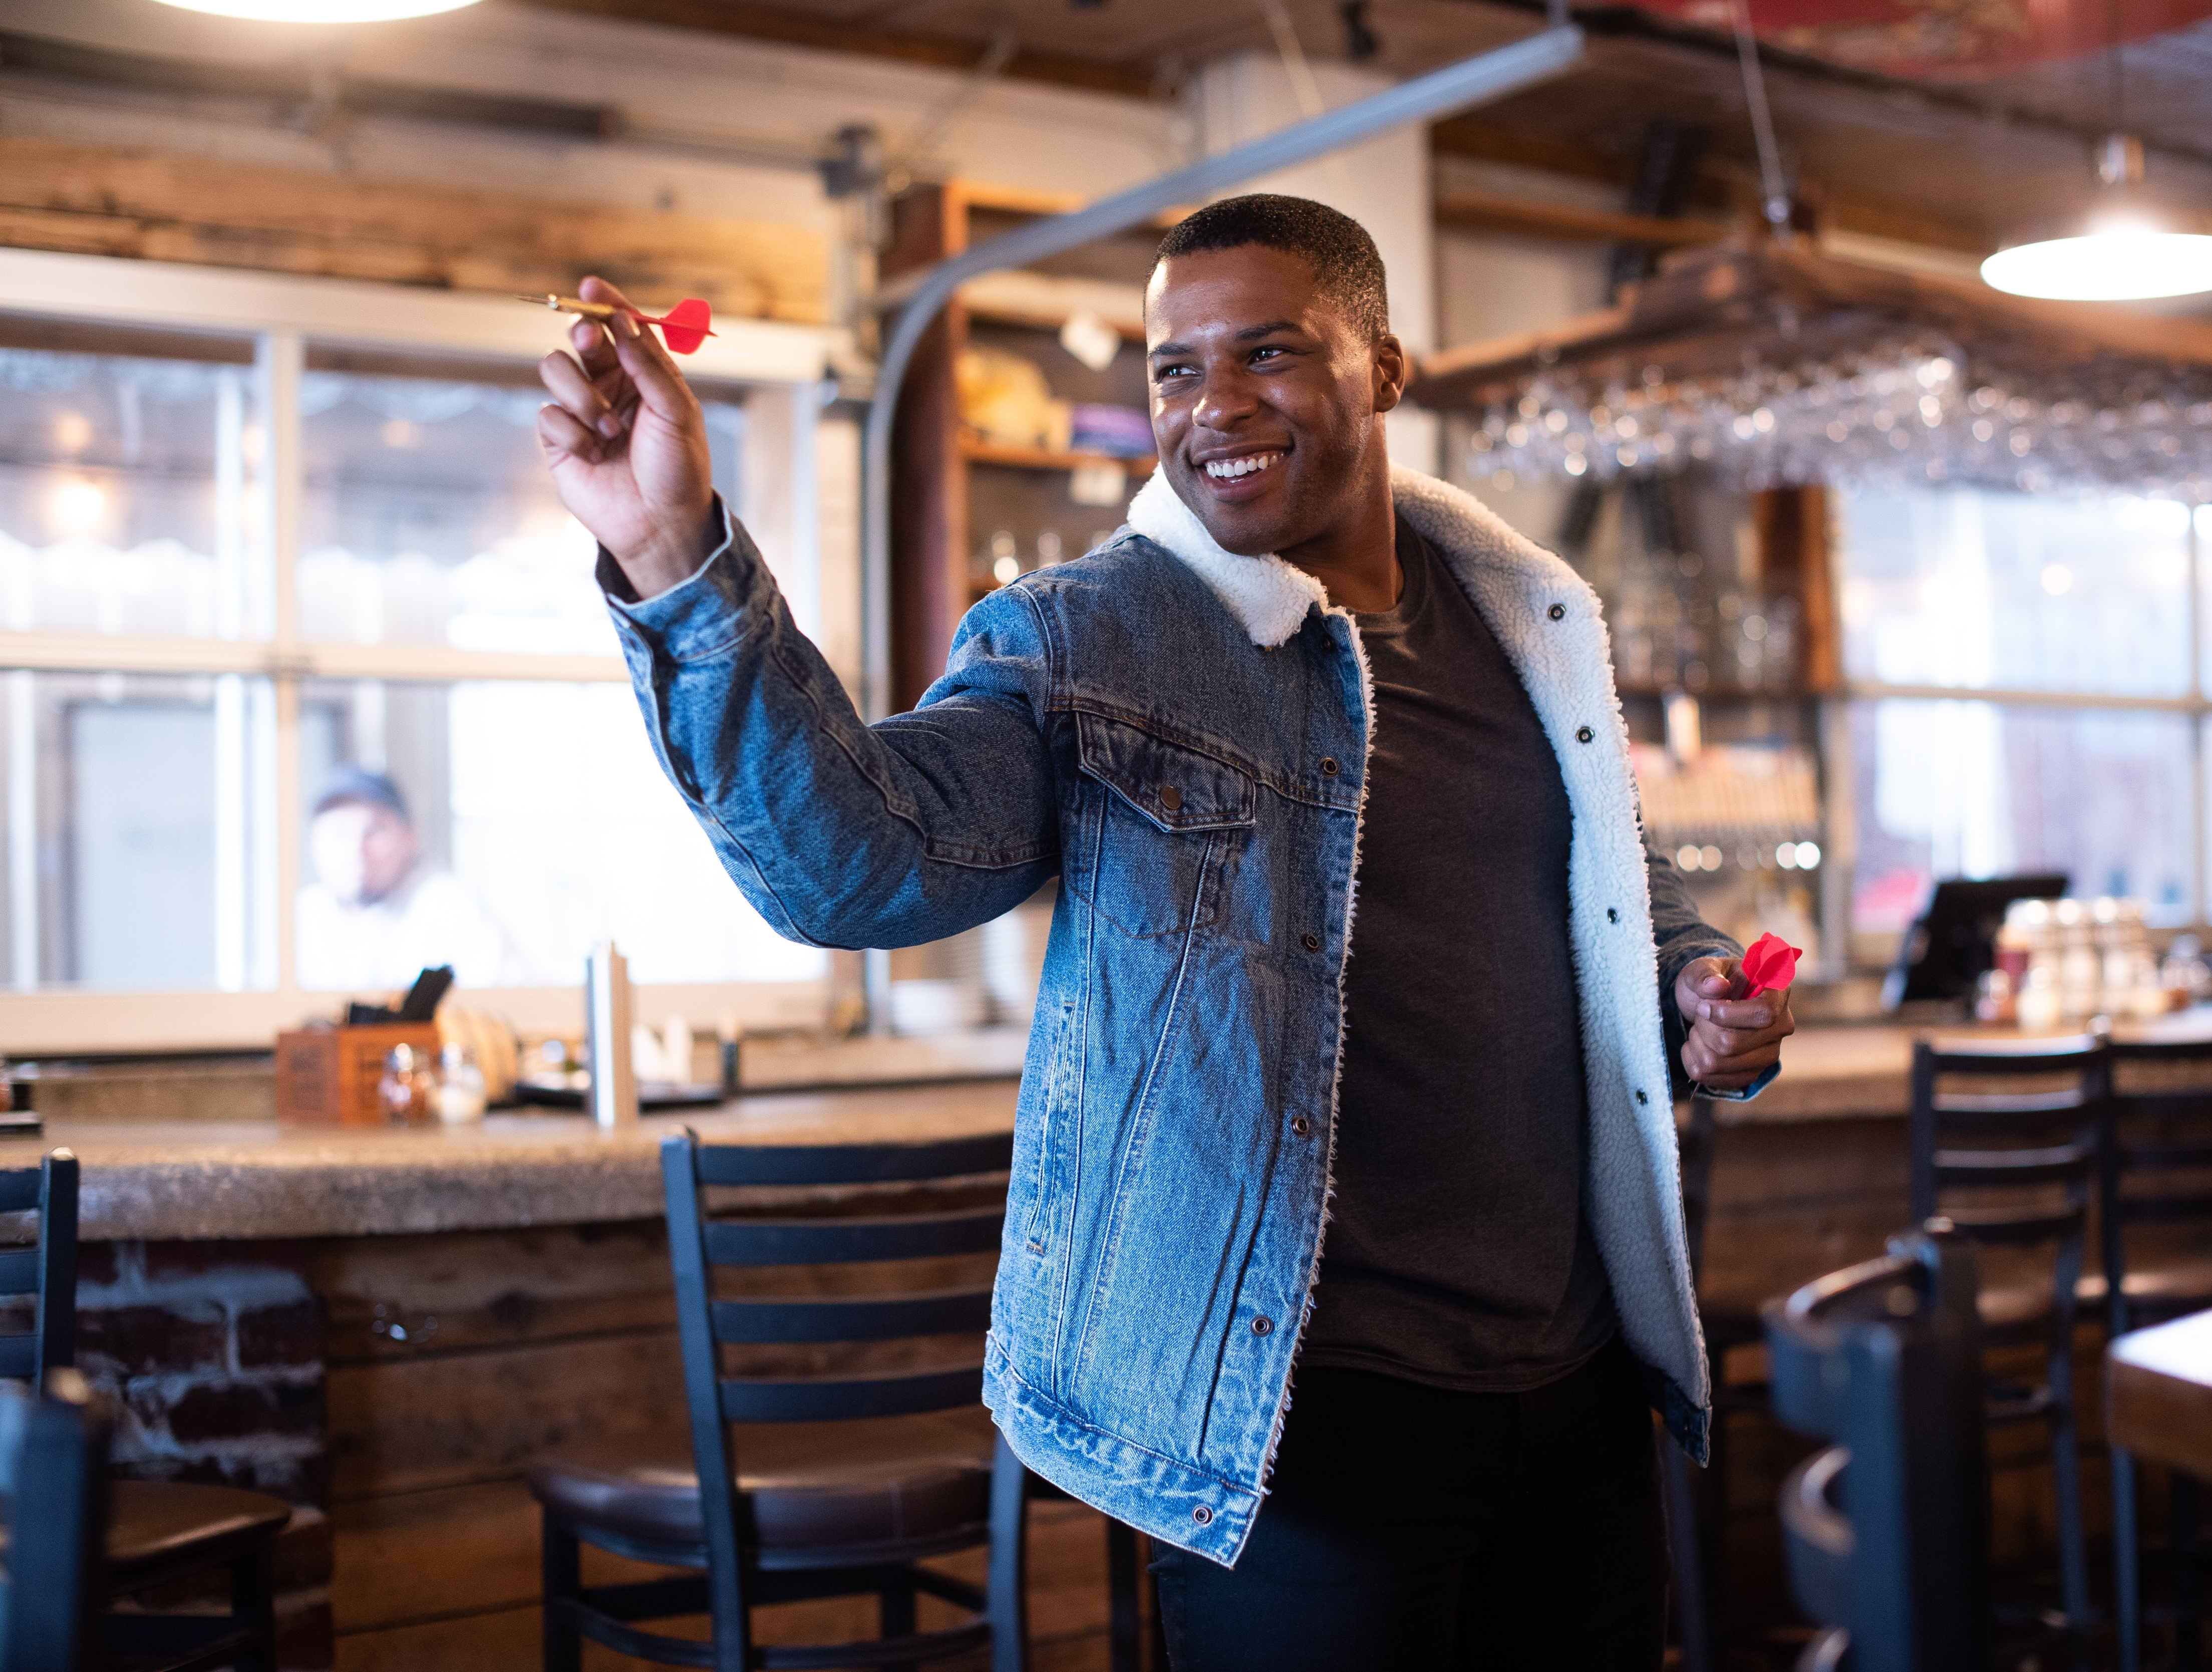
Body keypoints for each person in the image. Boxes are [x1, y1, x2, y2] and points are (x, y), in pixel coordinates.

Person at [534, 194, 1794, 1671]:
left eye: (1266, 352)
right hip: (1298, 1416)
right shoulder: (1091, 634)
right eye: (1174, 369)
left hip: (1578, 1383)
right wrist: (673, 546)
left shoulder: (1526, 621)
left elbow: (1605, 895)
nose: (1213, 407)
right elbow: (856, 870)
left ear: (1382, 366)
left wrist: (1692, 981)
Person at [294, 765, 518, 993]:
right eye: (339, 832)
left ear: (411, 836)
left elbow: (508, 1003)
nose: (356, 849)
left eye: (373, 831)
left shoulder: (451, 907)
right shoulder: (300, 918)